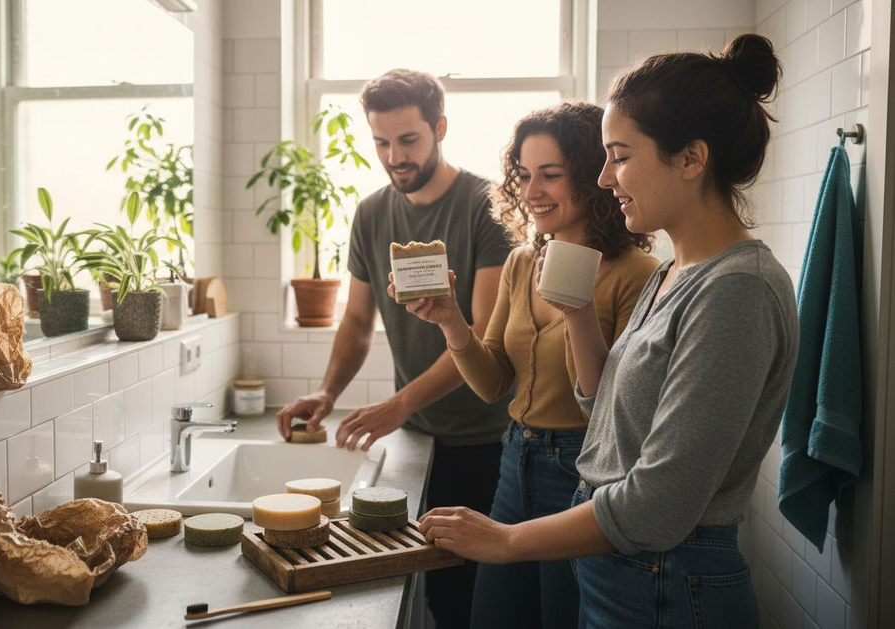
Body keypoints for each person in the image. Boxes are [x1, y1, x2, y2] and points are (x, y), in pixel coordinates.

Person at [418, 34, 799, 629]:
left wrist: (508, 543)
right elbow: (605, 411)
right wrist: (574, 315)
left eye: (619, 155)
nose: (604, 177)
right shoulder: (677, 272)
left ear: (692, 158)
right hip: (628, 573)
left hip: (666, 582)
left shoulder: (738, 291)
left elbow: (659, 505)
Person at [392, 101, 657, 627]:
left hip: (586, 474)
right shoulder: (521, 262)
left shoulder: (637, 273)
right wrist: (450, 320)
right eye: (524, 175)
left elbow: (614, 409)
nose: (532, 192)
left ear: (592, 177)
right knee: (491, 617)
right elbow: (493, 384)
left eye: (551, 176)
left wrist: (577, 315)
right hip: (515, 462)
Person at [276, 69, 514, 627]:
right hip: (415, 441)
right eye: (381, 142)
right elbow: (357, 320)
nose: (394, 156)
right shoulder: (372, 213)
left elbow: (478, 333)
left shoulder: (487, 206)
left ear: (440, 128)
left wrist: (398, 403)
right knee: (424, 593)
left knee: (468, 600)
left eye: (408, 140)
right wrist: (328, 391)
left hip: (484, 440)